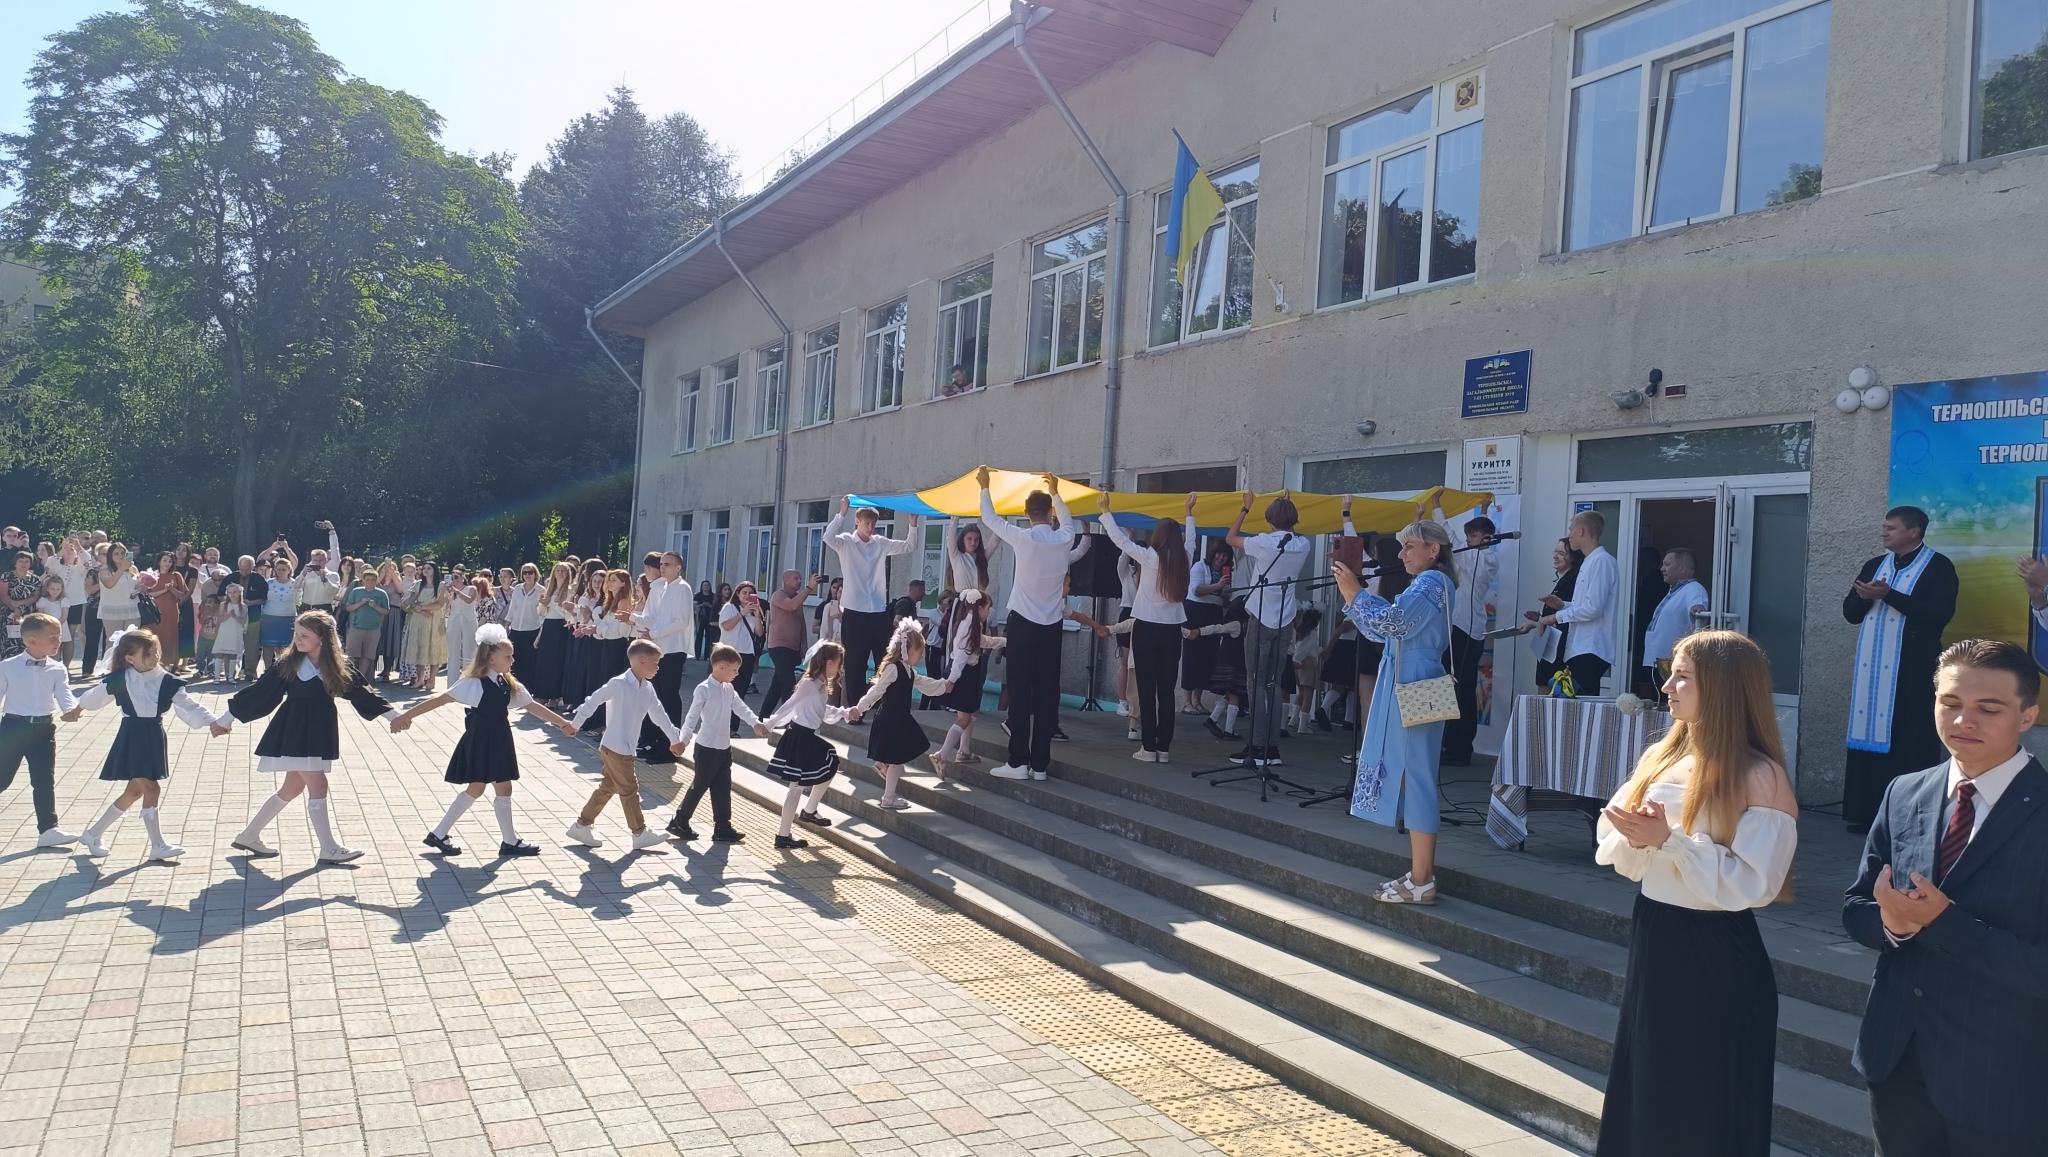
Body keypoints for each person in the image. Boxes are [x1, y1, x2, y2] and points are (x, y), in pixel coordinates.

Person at [1594, 631, 1797, 1157]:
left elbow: (1754, 881)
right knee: (1649, 1090)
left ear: (1725, 687)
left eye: (1683, 674)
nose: (1667, 686)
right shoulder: (1662, 758)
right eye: (1671, 671)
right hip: (1656, 934)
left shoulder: (1760, 774)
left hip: (1714, 952)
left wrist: (1670, 842)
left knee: (1702, 1104)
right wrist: (1641, 838)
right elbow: (1617, 845)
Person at [1843, 639, 2048, 1157]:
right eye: (1950, 703)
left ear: (2028, 716)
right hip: (1897, 1062)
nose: (1963, 720)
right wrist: (1896, 925)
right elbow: (1857, 908)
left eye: (1988, 708)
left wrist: (1945, 922)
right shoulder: (1905, 792)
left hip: (2004, 1082)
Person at [216, 611, 399, 864]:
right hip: (294, 730)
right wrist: (225, 720)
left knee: (293, 787)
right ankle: (329, 848)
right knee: (318, 786)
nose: (298, 639)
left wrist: (394, 716)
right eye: (297, 634)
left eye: (304, 635)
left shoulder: (338, 666)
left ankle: (249, 835)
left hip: (319, 730)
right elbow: (260, 693)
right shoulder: (288, 664)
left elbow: (363, 693)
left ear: (322, 638)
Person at [1336, 520, 1456, 905]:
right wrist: (1354, 598)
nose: (1402, 554)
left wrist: (1356, 594)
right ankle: (1420, 873)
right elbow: (1382, 631)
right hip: (1410, 676)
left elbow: (1396, 624)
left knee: (1417, 777)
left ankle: (1422, 881)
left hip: (1416, 680)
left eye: (1410, 547)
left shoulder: (1433, 583)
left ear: (1433, 550)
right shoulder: (1426, 584)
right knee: (1410, 777)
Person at [393, 624, 573, 859]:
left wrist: (562, 723)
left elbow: (532, 705)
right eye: (507, 656)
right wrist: (406, 716)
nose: (512, 659)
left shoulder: (506, 682)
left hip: (498, 739)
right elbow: (440, 700)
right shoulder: (473, 683)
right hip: (482, 740)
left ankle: (441, 834)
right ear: (491, 657)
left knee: (481, 788)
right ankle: (506, 841)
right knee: (492, 787)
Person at [1842, 505, 1959, 834]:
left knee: (1909, 738)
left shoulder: (1938, 567)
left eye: (1891, 528)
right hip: (1873, 672)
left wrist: (1889, 595)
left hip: (1912, 671)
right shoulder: (1873, 565)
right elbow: (1851, 613)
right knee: (1870, 738)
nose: (1884, 533)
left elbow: (1937, 615)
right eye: (1884, 527)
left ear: (1914, 532)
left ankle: (1908, 818)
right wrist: (1866, 597)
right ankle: (1865, 813)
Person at [64, 626, 223, 862]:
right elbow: (95, 696)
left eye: (156, 651)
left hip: (153, 735)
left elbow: (188, 705)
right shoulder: (121, 679)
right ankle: (158, 845)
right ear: (130, 658)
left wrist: (212, 721)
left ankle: (93, 833)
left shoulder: (167, 681)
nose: (155, 656)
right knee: (152, 789)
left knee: (135, 791)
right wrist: (77, 708)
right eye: (148, 654)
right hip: (133, 736)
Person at [976, 470, 1075, 781]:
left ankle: (1018, 762)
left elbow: (989, 518)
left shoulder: (1023, 537)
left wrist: (985, 487)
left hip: (1022, 623)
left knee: (1019, 691)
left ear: (1026, 513)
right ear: (1050, 514)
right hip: (1052, 625)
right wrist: (1057, 492)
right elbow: (1068, 519)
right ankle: (1040, 765)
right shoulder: (1064, 539)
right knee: (1047, 692)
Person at [1098, 492, 1196, 763]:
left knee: (1146, 688)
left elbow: (1120, 540)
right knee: (1166, 691)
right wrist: (1189, 513)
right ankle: (1163, 749)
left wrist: (1106, 512)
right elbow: (1192, 541)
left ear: (1159, 537)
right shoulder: (1184, 559)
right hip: (1173, 631)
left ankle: (1148, 747)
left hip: (1147, 629)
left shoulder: (1150, 558)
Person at [567, 638, 683, 851]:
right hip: (615, 747)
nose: (658, 667)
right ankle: (639, 832)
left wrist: (675, 740)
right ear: (640, 661)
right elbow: (594, 700)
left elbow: (659, 715)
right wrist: (575, 724)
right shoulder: (618, 683)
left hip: (624, 747)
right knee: (630, 788)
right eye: (655, 663)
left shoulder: (647, 688)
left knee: (608, 787)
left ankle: (581, 825)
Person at [1226, 492, 1311, 768]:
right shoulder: (1303, 545)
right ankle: (1272, 749)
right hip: (1285, 620)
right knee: (1274, 684)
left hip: (1260, 617)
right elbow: (1289, 530)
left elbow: (1231, 538)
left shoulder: (1263, 542)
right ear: (1294, 520)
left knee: (1256, 682)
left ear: (1270, 520)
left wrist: (1244, 508)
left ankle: (1256, 746)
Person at [665, 643, 769, 844]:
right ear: (720, 667)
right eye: (734, 670)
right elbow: (691, 717)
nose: (737, 674)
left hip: (723, 748)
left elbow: (741, 707)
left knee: (722, 787)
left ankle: (722, 826)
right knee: (700, 786)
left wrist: (756, 724)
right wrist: (682, 741)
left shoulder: (728, 688)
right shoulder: (703, 689)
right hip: (706, 748)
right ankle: (680, 820)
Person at [823, 497, 918, 709]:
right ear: (857, 521)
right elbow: (827, 537)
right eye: (866, 523)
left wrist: (912, 524)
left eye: (873, 524)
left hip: (876, 611)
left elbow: (909, 546)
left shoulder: (880, 543)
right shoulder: (846, 542)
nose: (870, 527)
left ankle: (881, 703)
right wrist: (841, 513)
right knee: (855, 664)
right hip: (854, 613)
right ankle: (856, 709)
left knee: (884, 660)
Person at [849, 619, 952, 809]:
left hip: (899, 719)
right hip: (891, 719)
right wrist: (859, 707)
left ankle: (883, 766)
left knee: (900, 758)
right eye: (919, 652)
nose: (920, 657)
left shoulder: (908, 670)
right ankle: (888, 798)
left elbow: (923, 683)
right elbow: (877, 690)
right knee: (897, 761)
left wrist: (943, 686)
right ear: (908, 650)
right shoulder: (893, 668)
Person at [0, 613, 81, 848]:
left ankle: (48, 829)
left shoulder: (57, 669)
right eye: (53, 638)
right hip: (13, 729)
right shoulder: (8, 667)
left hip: (44, 729)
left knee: (44, 780)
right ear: (31, 641)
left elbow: (64, 693)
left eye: (59, 637)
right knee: (3, 779)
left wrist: (71, 709)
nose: (58, 642)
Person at [760, 641, 851, 847]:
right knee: (798, 786)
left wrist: (844, 712)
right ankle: (785, 833)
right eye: (839, 663)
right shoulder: (810, 684)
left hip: (805, 736)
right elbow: (790, 705)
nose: (841, 668)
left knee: (827, 764)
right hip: (800, 737)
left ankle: (807, 812)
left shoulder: (818, 685)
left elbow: (822, 711)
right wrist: (770, 724)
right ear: (829, 663)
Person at [1531, 510, 1619, 696]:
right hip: (1579, 648)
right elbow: (1585, 605)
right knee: (1571, 705)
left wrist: (1555, 616)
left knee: (1575, 706)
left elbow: (1593, 609)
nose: (1569, 534)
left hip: (1591, 647)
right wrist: (1562, 605)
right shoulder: (1590, 561)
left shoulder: (1601, 561)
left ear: (1581, 531)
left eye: (1571, 529)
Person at [628, 550, 695, 764]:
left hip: (673, 650)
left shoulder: (682, 588)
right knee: (658, 698)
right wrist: (634, 618)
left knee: (669, 698)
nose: (663, 567)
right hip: (660, 649)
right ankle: (657, 743)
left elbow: (681, 621)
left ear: (678, 567)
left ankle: (670, 749)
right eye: (662, 564)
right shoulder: (663, 587)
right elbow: (655, 617)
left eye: (668, 564)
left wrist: (653, 633)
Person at [1443, 515, 1498, 767]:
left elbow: (1452, 541)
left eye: (1473, 535)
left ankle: (1460, 748)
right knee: (1453, 686)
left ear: (1485, 537)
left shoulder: (1485, 558)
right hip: (1459, 626)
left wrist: (1437, 510)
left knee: (1462, 690)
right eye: (1469, 535)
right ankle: (1451, 743)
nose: (1468, 540)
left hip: (1468, 629)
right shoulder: (1472, 556)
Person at [933, 589, 1005, 775]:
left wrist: (1003, 641)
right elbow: (962, 655)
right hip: (963, 675)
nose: (989, 612)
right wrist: (952, 680)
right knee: (964, 718)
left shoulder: (969, 622)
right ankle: (942, 754)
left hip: (966, 674)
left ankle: (964, 751)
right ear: (979, 607)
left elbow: (981, 642)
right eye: (988, 608)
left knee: (971, 712)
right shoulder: (970, 625)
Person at [1640, 548, 1709, 693]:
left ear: (1683, 569)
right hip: (1658, 661)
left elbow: (1698, 609)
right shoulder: (1674, 592)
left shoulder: (1694, 588)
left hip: (1670, 664)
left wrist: (1697, 608)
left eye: (1667, 564)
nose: (1662, 568)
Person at [1527, 538, 1585, 691]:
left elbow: (1567, 617)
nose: (1555, 556)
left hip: (1556, 650)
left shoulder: (1571, 581)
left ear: (1573, 557)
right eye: (1555, 551)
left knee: (1547, 693)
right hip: (1550, 647)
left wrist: (1542, 621)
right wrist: (1537, 619)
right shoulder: (1564, 579)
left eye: (1561, 553)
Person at [759, 570, 818, 719]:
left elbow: (801, 623)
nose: (799, 581)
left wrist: (804, 645)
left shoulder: (797, 598)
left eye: (800, 578)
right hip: (779, 646)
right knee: (788, 683)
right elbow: (791, 606)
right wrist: (809, 588)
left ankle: (763, 717)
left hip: (793, 647)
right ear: (785, 580)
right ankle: (789, 719)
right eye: (795, 578)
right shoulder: (779, 595)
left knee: (777, 684)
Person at [1183, 541, 1233, 713]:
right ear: (1213, 553)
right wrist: (1218, 586)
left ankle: (1198, 700)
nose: (1221, 558)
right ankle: (1187, 702)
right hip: (1196, 612)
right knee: (1192, 655)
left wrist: (1225, 591)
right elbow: (1196, 590)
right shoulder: (1199, 566)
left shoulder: (1225, 573)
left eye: (1225, 555)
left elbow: (1224, 597)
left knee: (1208, 657)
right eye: (1219, 554)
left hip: (1214, 612)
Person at [717, 581, 765, 727]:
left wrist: (757, 615)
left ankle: (733, 727)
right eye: (744, 592)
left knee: (740, 692)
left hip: (747, 655)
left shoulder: (754, 611)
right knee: (725, 690)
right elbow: (726, 626)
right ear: (737, 594)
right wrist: (742, 613)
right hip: (729, 654)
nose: (747, 596)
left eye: (750, 593)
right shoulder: (729, 608)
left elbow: (759, 633)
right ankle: (721, 724)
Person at [530, 561, 574, 705]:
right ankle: (542, 693)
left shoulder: (569, 591)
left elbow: (565, 612)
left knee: (556, 661)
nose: (560, 573)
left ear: (568, 574)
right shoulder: (549, 589)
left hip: (561, 627)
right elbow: (541, 613)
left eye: (563, 571)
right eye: (558, 570)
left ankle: (555, 696)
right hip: (548, 625)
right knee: (544, 661)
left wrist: (550, 604)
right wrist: (543, 604)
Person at [402, 562, 448, 691]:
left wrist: (423, 607)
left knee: (434, 649)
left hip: (434, 619)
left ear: (434, 570)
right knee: (420, 648)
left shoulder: (441, 585)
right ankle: (420, 679)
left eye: (429, 568)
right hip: (419, 619)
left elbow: (439, 604)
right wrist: (418, 608)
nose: (426, 570)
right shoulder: (418, 585)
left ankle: (432, 679)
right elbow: (410, 602)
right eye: (424, 568)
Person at [340, 568, 390, 674]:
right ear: (363, 580)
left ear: (376, 580)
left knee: (368, 655)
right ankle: (351, 675)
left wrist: (375, 606)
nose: (370, 582)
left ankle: (361, 676)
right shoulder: (356, 591)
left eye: (372, 579)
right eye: (367, 579)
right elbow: (348, 608)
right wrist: (360, 603)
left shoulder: (382, 594)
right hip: (356, 627)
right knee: (352, 654)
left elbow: (386, 611)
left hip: (374, 628)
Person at [293, 521, 343, 619]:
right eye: (315, 560)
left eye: (321, 560)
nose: (318, 562)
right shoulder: (306, 573)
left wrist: (324, 579)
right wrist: (302, 574)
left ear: (326, 560)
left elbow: (333, 592)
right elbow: (296, 586)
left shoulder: (332, 574)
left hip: (324, 609)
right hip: (306, 608)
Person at [443, 565, 477, 681]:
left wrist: (457, 591)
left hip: (469, 620)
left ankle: (468, 680)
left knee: (469, 649)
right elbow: (447, 607)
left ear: (463, 578)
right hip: (454, 620)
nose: (454, 580)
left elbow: (469, 600)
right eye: (452, 577)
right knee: (453, 651)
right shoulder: (450, 591)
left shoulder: (471, 588)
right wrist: (448, 593)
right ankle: (452, 682)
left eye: (457, 577)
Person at [212, 582, 248, 682]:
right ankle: (217, 677)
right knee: (219, 653)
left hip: (235, 633)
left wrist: (235, 616)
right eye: (230, 592)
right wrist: (228, 615)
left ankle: (231, 677)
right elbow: (219, 619)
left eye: (235, 592)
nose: (232, 594)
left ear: (240, 593)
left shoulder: (243, 606)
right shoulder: (223, 604)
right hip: (223, 632)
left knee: (233, 655)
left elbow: (243, 621)